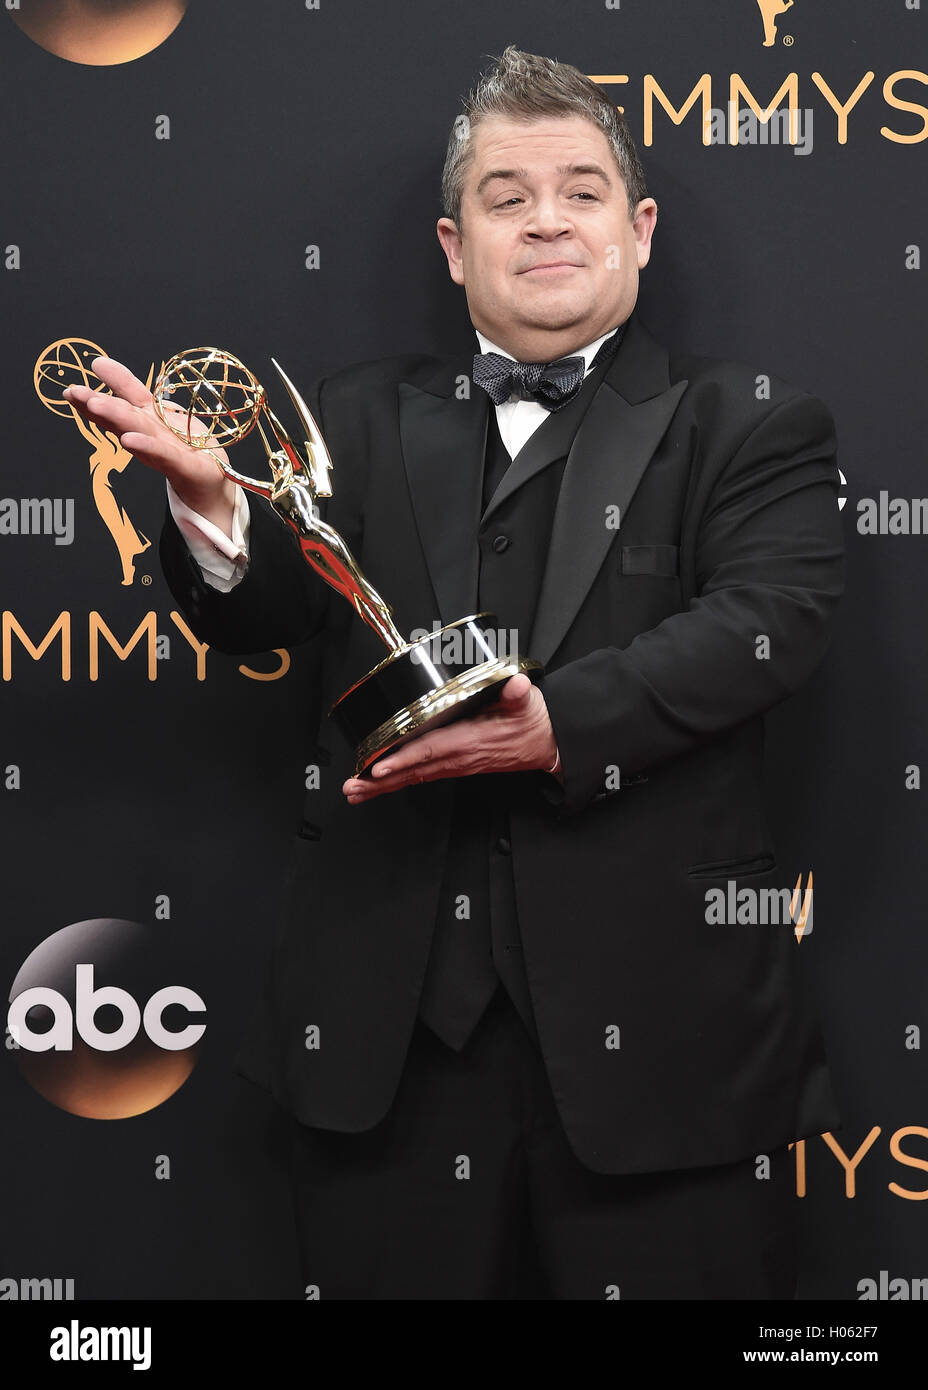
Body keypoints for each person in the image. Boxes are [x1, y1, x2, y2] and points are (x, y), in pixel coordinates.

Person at [64, 46, 845, 1300]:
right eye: (505, 194)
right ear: (451, 244)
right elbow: (268, 611)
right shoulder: (355, 417)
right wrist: (213, 506)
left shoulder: (750, 420)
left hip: (666, 1051)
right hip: (386, 1053)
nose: (545, 217)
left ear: (637, 231)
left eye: (582, 191)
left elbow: (774, 618)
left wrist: (558, 725)